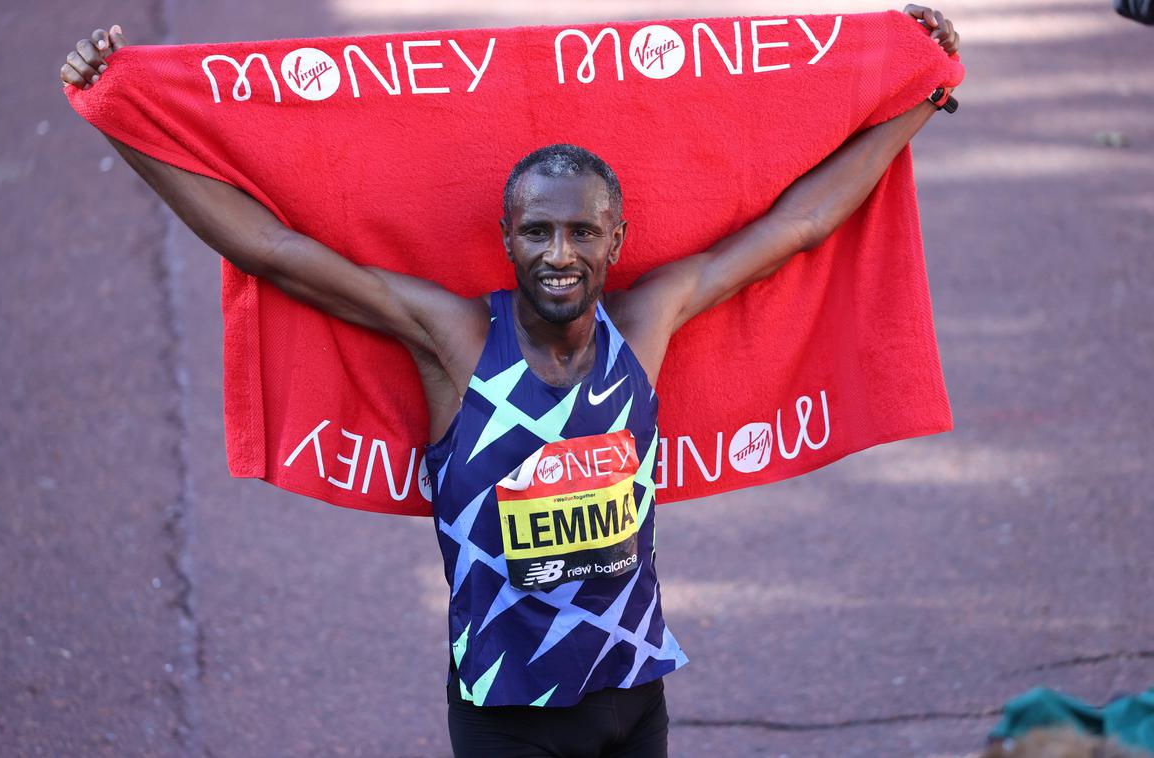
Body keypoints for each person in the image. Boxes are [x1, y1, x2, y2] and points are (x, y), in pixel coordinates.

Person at [60, 6, 960, 756]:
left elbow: (800, 221)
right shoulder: (455, 341)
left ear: (616, 239)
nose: (558, 255)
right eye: (537, 233)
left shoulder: (644, 325)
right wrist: (119, 118)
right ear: (507, 236)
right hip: (504, 716)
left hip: (631, 693)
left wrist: (920, 92)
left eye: (580, 234)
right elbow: (271, 249)